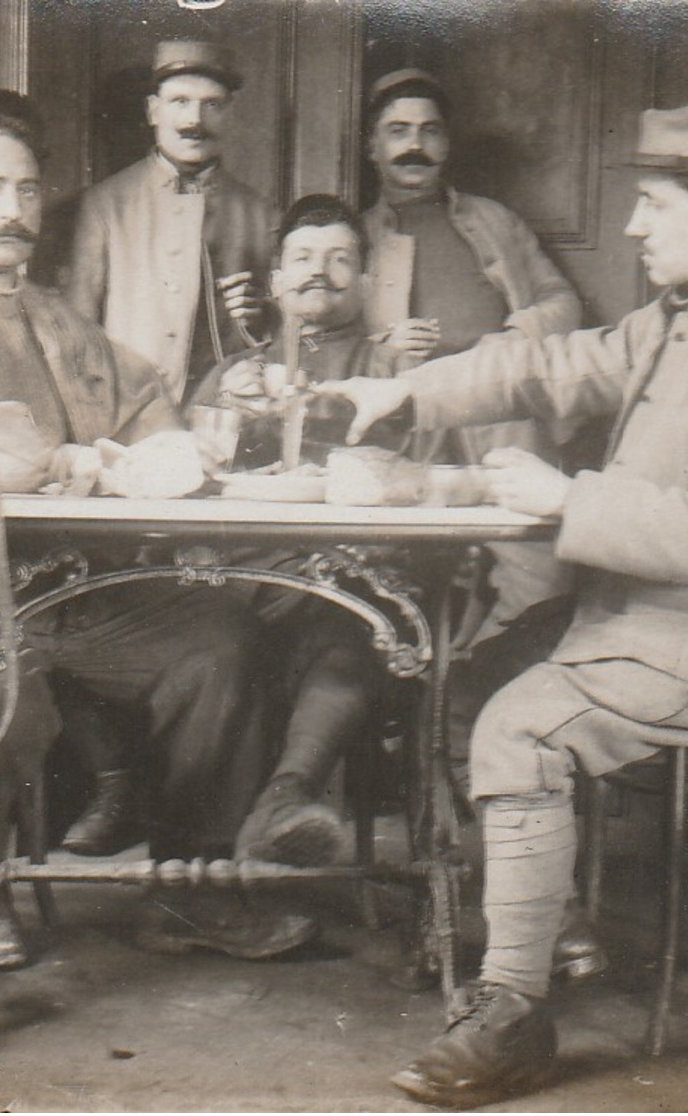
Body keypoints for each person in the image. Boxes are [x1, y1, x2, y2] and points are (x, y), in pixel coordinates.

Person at [321, 97, 688, 1108]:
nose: (632, 228)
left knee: (517, 729)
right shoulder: (684, 316)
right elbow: (552, 360)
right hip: (636, 623)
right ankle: (551, 920)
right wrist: (411, 396)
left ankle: (513, 1009)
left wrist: (570, 499)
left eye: (653, 205)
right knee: (462, 680)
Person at [0, 90, 316, 971]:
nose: (13, 211)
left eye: (29, 190)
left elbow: (145, 400)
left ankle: (188, 886)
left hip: (64, 587)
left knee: (222, 644)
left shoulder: (48, 314)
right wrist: (65, 461)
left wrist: (159, 455)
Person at [188, 194, 414, 867]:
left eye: (342, 259)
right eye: (304, 258)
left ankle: (288, 797)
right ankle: (207, 853)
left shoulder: (392, 373)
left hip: (345, 578)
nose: (322, 272)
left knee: (349, 633)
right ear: (276, 281)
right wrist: (226, 416)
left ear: (367, 282)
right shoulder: (234, 372)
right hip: (235, 584)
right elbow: (179, 471)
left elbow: (419, 476)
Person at [360, 67, 582, 646]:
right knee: (403, 569)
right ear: (373, 147)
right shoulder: (354, 237)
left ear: (447, 144)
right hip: (407, 418)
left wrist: (514, 335)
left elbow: (562, 300)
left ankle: (484, 687)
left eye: (430, 132)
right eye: (398, 131)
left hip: (500, 407)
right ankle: (415, 705)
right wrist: (383, 346)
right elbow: (329, 342)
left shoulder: (495, 221)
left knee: (538, 569)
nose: (415, 145)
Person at [51, 40, 277, 408]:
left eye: (212, 105)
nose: (194, 121)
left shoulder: (262, 214)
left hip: (225, 419)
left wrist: (264, 315)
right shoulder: (105, 205)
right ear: (153, 110)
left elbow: (280, 336)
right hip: (130, 416)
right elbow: (79, 334)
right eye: (180, 102)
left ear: (230, 115)